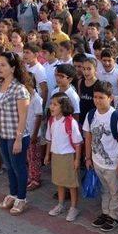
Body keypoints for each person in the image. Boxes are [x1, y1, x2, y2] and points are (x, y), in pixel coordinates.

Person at [0, 51, 31, 213]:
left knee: (19, 167)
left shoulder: (19, 89)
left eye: (3, 65)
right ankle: (12, 194)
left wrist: (19, 139)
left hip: (16, 136)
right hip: (3, 134)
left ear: (13, 68)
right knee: (10, 167)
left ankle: (21, 198)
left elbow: (23, 115)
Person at [83, 81, 118, 232]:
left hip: (113, 163)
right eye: (95, 97)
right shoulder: (91, 115)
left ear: (110, 98)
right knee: (104, 189)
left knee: (115, 190)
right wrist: (88, 157)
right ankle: (105, 212)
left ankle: (114, 216)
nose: (97, 100)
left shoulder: (116, 117)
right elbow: (88, 137)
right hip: (97, 161)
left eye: (101, 97)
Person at [45, 92, 83, 222]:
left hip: (68, 156)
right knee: (59, 182)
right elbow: (49, 140)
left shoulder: (70, 122)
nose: (51, 107)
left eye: (55, 104)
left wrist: (77, 159)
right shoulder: (51, 121)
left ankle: (74, 207)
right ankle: (60, 205)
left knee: (72, 184)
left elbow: (77, 143)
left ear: (63, 106)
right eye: (51, 104)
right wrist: (47, 155)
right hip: (56, 156)